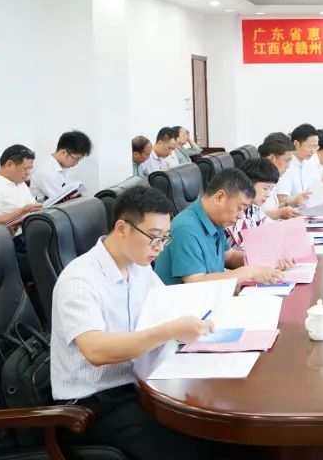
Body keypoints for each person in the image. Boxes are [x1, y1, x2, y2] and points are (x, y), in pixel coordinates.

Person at [50, 185, 233, 459]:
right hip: (94, 404)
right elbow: (96, 351)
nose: (159, 248)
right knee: (200, 447)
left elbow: (169, 307)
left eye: (164, 239)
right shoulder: (80, 279)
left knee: (217, 430)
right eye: (153, 237)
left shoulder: (139, 267)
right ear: (122, 228)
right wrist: (169, 331)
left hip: (139, 386)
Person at [153, 169, 284, 285]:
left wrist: (268, 262)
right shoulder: (186, 228)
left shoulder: (215, 219)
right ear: (219, 197)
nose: (241, 216)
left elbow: (229, 257)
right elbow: (195, 282)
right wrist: (250, 272)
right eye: (239, 208)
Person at [0, 144, 42, 252]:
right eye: (25, 168)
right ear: (9, 164)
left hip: (29, 232)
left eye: (30, 169)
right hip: (11, 241)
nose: (27, 174)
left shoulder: (21, 183)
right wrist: (21, 211)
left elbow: (32, 206)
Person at [225, 158, 278, 250]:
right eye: (265, 189)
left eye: (271, 189)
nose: (268, 194)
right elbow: (248, 247)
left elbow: (273, 228)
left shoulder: (253, 208)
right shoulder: (233, 212)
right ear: (248, 184)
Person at [31, 130, 92, 202]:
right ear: (64, 153)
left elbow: (71, 188)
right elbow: (61, 201)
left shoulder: (62, 167)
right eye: (77, 159)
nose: (77, 163)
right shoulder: (47, 172)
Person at [258, 132, 302, 219]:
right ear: (272, 158)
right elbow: (250, 219)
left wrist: (290, 204)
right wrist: (279, 214)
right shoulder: (257, 182)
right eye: (287, 160)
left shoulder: (270, 178)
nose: (288, 167)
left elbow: (270, 208)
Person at [275, 123, 320, 206]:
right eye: (310, 146)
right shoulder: (286, 165)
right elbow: (281, 200)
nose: (313, 151)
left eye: (315, 147)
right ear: (296, 144)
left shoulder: (310, 161)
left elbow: (316, 188)